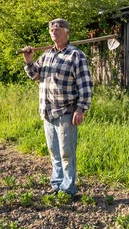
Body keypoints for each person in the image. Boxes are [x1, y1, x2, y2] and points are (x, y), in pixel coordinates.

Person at [22, 18, 93, 197]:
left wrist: (81, 109)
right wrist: (28, 60)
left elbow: (85, 85)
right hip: (47, 111)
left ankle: (68, 190)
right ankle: (56, 185)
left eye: (58, 28)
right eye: (51, 28)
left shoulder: (76, 55)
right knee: (54, 153)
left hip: (66, 111)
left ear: (67, 32)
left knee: (66, 153)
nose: (54, 30)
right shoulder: (47, 54)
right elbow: (34, 75)